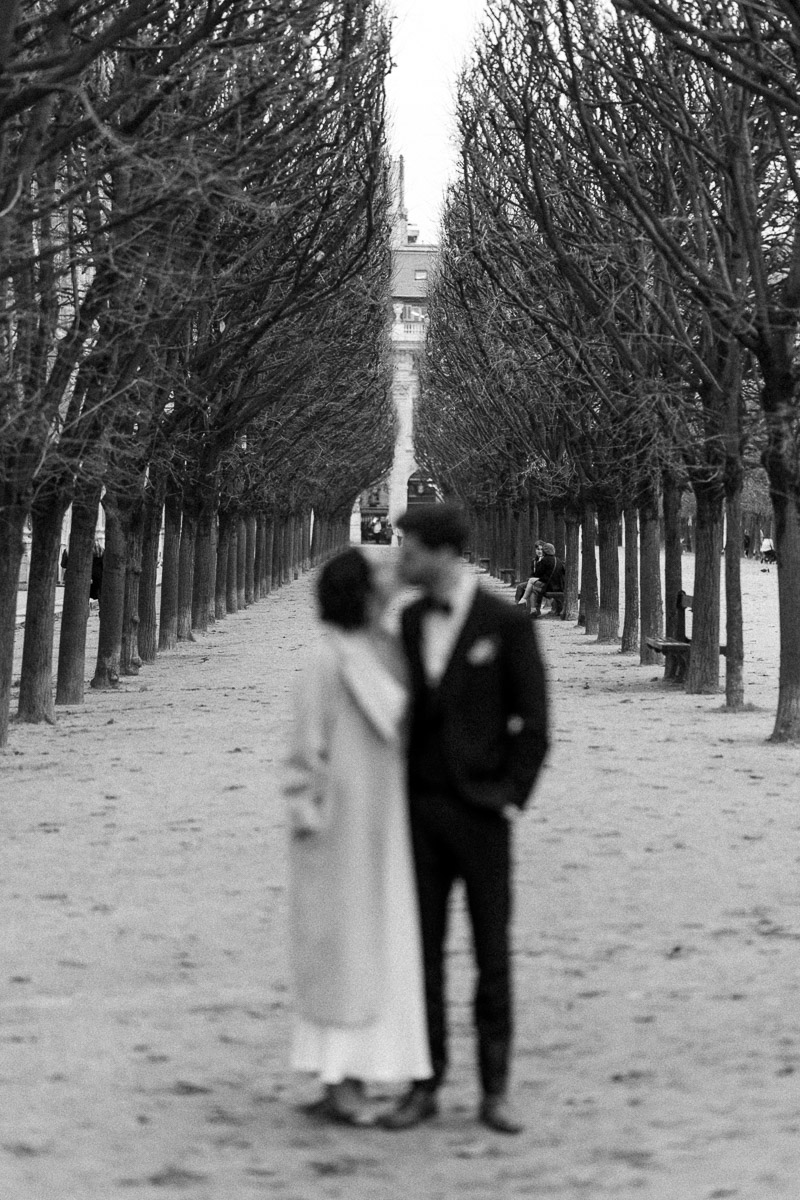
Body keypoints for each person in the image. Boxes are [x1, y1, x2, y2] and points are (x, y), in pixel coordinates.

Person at [382, 504, 549, 1135]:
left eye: (412, 551)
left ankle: (495, 1089)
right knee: (419, 954)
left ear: (444, 553)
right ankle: (424, 1084)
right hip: (419, 811)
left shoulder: (505, 622)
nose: (403, 561)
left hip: (482, 815)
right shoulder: (409, 620)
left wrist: (510, 794)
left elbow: (533, 723)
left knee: (492, 952)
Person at [284, 548, 432, 1125]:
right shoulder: (327, 661)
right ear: (360, 596)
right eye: (379, 584)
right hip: (339, 831)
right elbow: (303, 752)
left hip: (388, 824)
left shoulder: (389, 648)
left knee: (381, 952)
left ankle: (355, 1072)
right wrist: (308, 820)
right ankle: (338, 1079)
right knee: (340, 955)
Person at [517, 542, 564, 616]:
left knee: (531, 582)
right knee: (532, 588)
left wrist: (539, 562)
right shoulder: (558, 560)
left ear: (545, 551)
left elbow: (537, 573)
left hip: (548, 586)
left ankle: (524, 601)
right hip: (557, 585)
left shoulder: (544, 560)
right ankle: (533, 609)